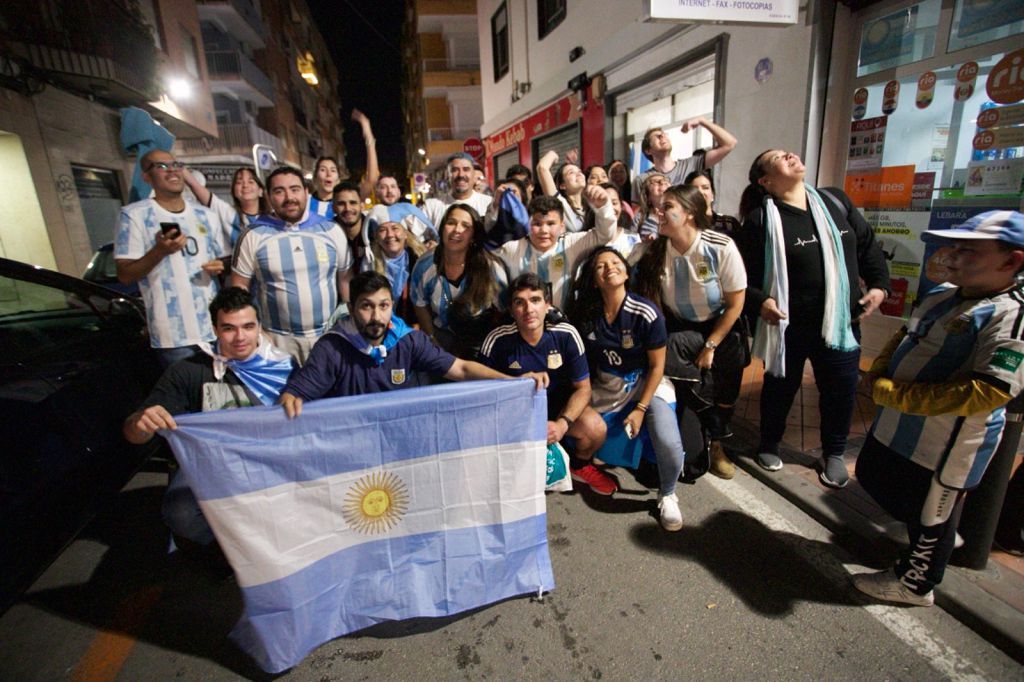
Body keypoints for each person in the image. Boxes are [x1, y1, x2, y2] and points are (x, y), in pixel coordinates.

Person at [852, 210, 1024, 606]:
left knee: (931, 512)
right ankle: (927, 533)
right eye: (956, 247)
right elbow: (905, 334)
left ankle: (916, 583)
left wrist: (897, 395)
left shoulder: (1011, 314)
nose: (954, 256)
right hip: (896, 426)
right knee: (876, 476)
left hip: (945, 442)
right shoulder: (943, 293)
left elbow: (992, 388)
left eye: (971, 250)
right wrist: (879, 370)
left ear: (1011, 261)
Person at [736, 149, 889, 487]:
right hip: (789, 325)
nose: (789, 154)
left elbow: (867, 247)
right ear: (767, 181)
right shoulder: (762, 220)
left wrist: (879, 285)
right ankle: (770, 442)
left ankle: (833, 452)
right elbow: (741, 278)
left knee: (841, 390)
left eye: (787, 151)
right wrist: (761, 301)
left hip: (841, 321)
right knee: (780, 387)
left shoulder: (835, 201)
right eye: (778, 157)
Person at [122, 287, 294, 551]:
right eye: (228, 328)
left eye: (248, 326)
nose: (240, 337)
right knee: (180, 512)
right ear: (214, 329)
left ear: (259, 326)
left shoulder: (285, 367)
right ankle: (234, 551)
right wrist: (141, 424)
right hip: (211, 465)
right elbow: (133, 434)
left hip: (269, 460)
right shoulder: (189, 371)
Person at [279, 272, 545, 415]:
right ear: (351, 308)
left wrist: (513, 381)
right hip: (351, 447)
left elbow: (462, 369)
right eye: (366, 307)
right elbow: (295, 395)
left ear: (391, 306)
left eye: (383, 306)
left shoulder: (408, 340)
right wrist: (291, 399)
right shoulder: (332, 347)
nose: (376, 317)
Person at [632, 184, 747, 479]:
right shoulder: (656, 249)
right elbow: (618, 258)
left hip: (720, 329)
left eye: (668, 206)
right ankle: (710, 428)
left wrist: (711, 345)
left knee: (676, 357)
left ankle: (716, 439)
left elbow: (735, 305)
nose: (660, 212)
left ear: (690, 214)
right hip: (680, 329)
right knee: (692, 468)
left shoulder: (719, 246)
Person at [567, 248, 684, 528]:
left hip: (646, 383)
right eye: (600, 266)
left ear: (627, 272)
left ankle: (668, 495)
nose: (609, 267)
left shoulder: (646, 313)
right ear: (594, 280)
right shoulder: (588, 316)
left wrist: (642, 408)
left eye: (616, 262)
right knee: (582, 433)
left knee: (669, 442)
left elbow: (657, 367)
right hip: (606, 387)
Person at [480, 273, 615, 496]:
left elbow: (584, 388)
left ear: (547, 305)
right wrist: (516, 384)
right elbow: (480, 390)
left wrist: (562, 424)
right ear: (511, 310)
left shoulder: (566, 334)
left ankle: (579, 466)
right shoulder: (498, 339)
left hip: (557, 407)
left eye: (535, 300)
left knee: (595, 429)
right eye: (519, 302)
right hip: (514, 411)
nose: (528, 309)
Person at [115, 149, 230, 368]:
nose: (172, 171)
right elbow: (125, 275)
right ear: (146, 176)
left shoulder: (206, 215)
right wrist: (159, 251)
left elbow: (223, 261)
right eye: (161, 166)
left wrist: (220, 267)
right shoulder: (133, 215)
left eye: (176, 164)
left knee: (224, 398)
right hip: (173, 337)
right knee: (190, 400)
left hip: (214, 328)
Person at [232, 166, 354, 364]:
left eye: (295, 189)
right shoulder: (253, 235)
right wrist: (256, 333)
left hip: (328, 336)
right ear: (269, 196)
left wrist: (347, 324)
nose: (289, 197)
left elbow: (345, 280)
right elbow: (239, 288)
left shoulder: (331, 230)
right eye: (279, 191)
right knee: (285, 395)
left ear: (306, 192)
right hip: (277, 340)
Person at [491, 185, 617, 312]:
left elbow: (604, 235)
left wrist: (603, 207)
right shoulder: (513, 249)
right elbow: (487, 252)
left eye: (551, 224)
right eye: (537, 224)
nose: (544, 231)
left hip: (563, 322)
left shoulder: (570, 244)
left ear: (562, 227)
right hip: (523, 323)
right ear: (528, 225)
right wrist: (495, 207)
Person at [411, 204, 510, 358]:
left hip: (481, 342)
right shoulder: (425, 265)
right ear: (442, 228)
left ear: (473, 236)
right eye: (451, 223)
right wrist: (432, 339)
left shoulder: (491, 268)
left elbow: (505, 311)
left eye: (466, 226)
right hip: (440, 340)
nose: (457, 230)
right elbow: (420, 304)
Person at [631, 118, 737, 204]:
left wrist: (703, 121)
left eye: (664, 134)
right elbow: (637, 214)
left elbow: (729, 143)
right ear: (648, 150)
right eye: (658, 136)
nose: (663, 136)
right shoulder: (642, 179)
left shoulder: (691, 165)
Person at [184, 166, 268, 248]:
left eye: (251, 182)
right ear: (234, 192)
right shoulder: (229, 214)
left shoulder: (272, 219)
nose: (245, 185)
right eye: (239, 182)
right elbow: (195, 186)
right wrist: (176, 166)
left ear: (260, 191)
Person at [366, 220, 427, 325]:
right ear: (376, 238)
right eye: (382, 230)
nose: (390, 235)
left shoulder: (421, 260)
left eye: (395, 228)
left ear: (405, 234)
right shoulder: (368, 264)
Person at [422, 153, 493, 228]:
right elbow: (413, 234)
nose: (461, 175)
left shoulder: (488, 204)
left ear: (473, 174)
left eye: (466, 169)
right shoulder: (431, 206)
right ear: (448, 175)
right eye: (455, 170)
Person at [370, 174, 438, 246]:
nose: (389, 190)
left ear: (399, 192)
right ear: (377, 193)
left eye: (393, 186)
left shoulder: (412, 213)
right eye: (383, 187)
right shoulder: (372, 218)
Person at [582, 183, 641, 260]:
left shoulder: (633, 238)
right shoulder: (586, 240)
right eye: (604, 204)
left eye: (614, 203)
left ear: (621, 206)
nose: (610, 208)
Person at [536, 150, 586, 232]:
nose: (578, 174)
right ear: (562, 185)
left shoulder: (590, 206)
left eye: (579, 171)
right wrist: (554, 155)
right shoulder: (560, 204)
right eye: (571, 173)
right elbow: (542, 167)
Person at [332, 180, 372, 273]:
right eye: (341, 204)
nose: (348, 208)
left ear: (362, 206)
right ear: (333, 208)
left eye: (353, 203)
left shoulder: (375, 231)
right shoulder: (328, 234)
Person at [685, 169, 741, 237]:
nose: (701, 192)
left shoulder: (729, 224)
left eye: (705, 188)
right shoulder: (684, 224)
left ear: (712, 194)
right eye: (695, 189)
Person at [630, 172, 670, 240]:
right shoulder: (640, 217)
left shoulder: (680, 214)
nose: (662, 183)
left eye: (665, 181)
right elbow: (631, 241)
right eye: (655, 182)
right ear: (647, 196)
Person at [309, 156, 342, 220]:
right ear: (315, 177)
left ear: (338, 180)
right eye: (323, 170)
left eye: (333, 170)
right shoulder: (305, 203)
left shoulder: (343, 205)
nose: (329, 174)